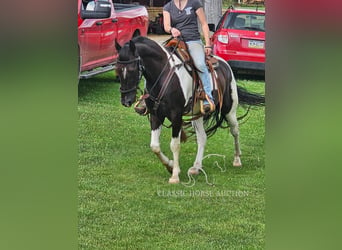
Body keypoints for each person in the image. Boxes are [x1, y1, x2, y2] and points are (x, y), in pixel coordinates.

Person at [163, 0, 215, 114]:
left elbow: (204, 23)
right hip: (176, 41)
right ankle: (147, 97)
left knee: (200, 64)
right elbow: (166, 26)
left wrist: (207, 44)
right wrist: (172, 29)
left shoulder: (194, 3)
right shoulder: (168, 7)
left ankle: (208, 96)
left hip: (193, 40)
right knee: (159, 60)